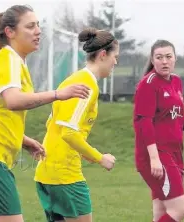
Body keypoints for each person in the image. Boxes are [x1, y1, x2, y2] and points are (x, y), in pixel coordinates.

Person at [0, 5, 92, 222]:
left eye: (38, 25)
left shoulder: (11, 60)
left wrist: (24, 140)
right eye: (30, 26)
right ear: (10, 32)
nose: (38, 31)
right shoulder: (8, 58)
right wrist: (57, 94)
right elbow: (13, 101)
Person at [34, 27, 119, 222]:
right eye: (115, 56)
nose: (116, 62)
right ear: (103, 55)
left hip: (47, 173)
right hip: (65, 175)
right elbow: (69, 133)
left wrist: (83, 152)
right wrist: (100, 158)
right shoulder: (86, 84)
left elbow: (53, 124)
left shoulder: (73, 79)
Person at [133, 40, 184, 222]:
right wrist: (154, 158)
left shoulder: (176, 81)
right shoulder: (148, 84)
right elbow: (144, 123)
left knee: (161, 212)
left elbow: (177, 116)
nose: (164, 61)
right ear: (152, 60)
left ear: (175, 59)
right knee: (179, 210)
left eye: (168, 57)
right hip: (157, 155)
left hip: (175, 153)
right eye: (159, 57)